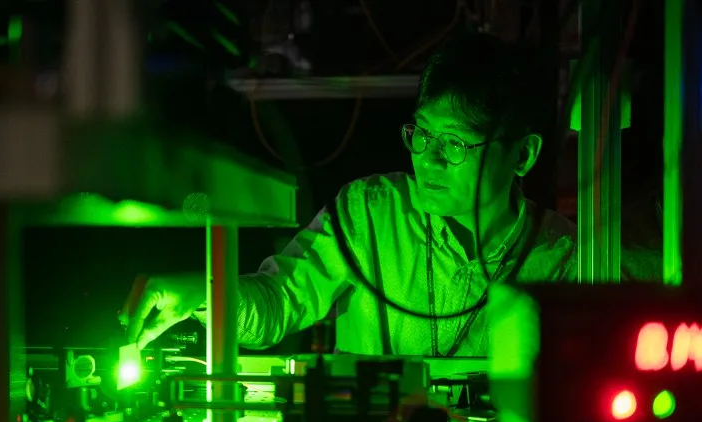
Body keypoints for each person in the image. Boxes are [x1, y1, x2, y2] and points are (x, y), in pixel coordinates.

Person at [120, 33, 577, 356]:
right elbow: (279, 302)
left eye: (455, 144)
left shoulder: (564, 260)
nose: (428, 159)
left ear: (523, 154)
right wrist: (207, 294)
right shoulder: (368, 215)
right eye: (422, 134)